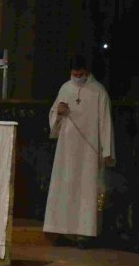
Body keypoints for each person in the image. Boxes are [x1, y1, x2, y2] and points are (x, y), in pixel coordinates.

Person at [42, 54, 115, 246]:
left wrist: (107, 151)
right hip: (66, 149)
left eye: (80, 74)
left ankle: (84, 234)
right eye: (74, 74)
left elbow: (106, 122)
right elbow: (53, 114)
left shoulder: (99, 92)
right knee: (65, 187)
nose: (77, 77)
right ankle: (63, 232)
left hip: (89, 154)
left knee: (86, 191)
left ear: (87, 72)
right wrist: (58, 112)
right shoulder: (65, 88)